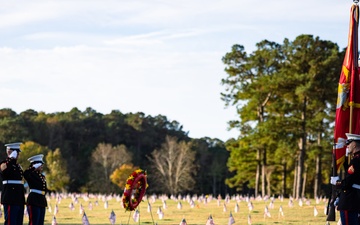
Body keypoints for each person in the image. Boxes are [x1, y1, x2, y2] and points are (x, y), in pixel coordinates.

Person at [331, 133, 360, 225]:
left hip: (350, 201)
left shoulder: (356, 161)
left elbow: (348, 182)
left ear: (354, 144)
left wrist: (337, 182)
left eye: (349, 143)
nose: (347, 146)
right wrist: (346, 157)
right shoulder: (356, 160)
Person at [0, 142, 25, 225]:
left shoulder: (18, 166)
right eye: (16, 152)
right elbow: (5, 172)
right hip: (10, 197)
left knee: (18, 222)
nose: (18, 155)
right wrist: (10, 158)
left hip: (19, 197)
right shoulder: (4, 164)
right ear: (10, 152)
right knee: (10, 222)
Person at [23, 154, 47, 225]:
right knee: (34, 222)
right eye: (40, 164)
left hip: (41, 200)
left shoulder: (41, 176)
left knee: (40, 222)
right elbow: (25, 174)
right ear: (35, 165)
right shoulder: (31, 174)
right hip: (34, 200)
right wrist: (33, 168)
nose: (42, 166)